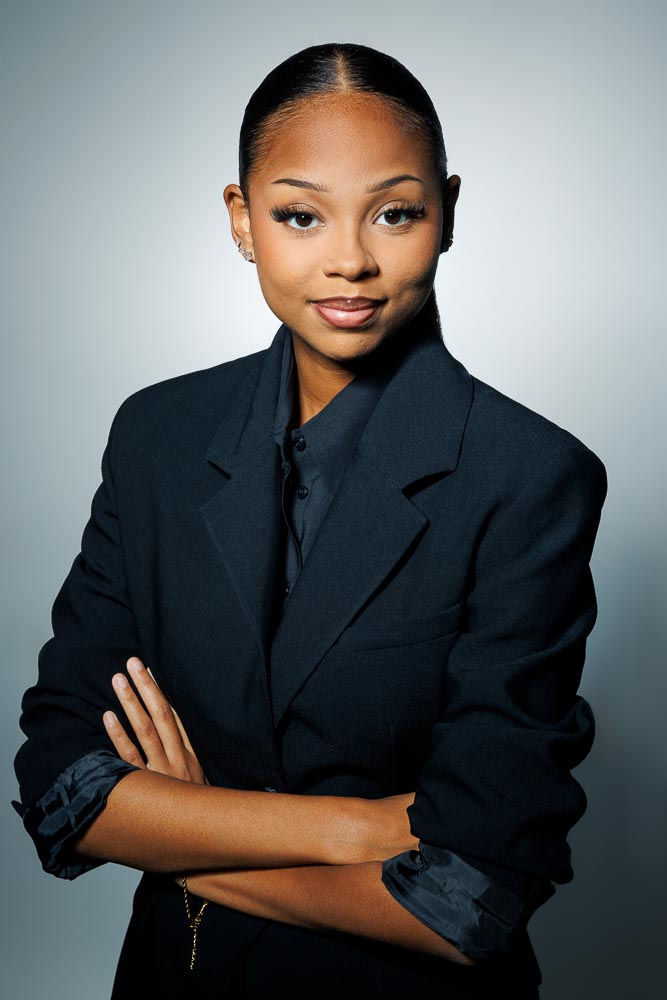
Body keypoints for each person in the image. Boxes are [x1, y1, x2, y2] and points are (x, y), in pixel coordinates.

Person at [12, 41, 608, 999]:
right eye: (299, 215)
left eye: (395, 213)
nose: (349, 260)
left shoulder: (530, 476)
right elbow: (60, 787)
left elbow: (468, 898)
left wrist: (177, 835)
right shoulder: (156, 437)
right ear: (241, 221)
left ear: (448, 213)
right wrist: (356, 828)